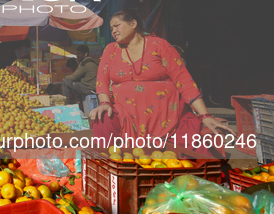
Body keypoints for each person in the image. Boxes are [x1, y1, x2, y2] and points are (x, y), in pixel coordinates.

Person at [89, 9, 233, 154]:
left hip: (167, 115)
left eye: (117, 25)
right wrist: (105, 103)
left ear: (133, 24)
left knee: (192, 155)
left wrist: (205, 115)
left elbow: (184, 81)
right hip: (126, 115)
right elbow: (102, 81)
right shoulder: (111, 50)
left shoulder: (160, 45)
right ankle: (107, 166)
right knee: (102, 120)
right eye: (111, 28)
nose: (113, 31)